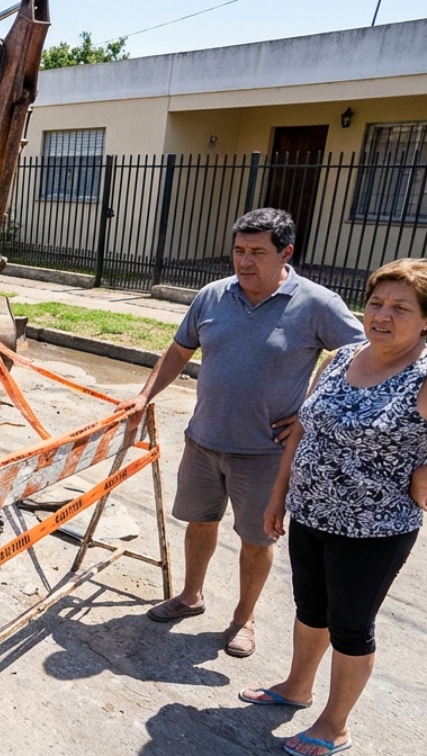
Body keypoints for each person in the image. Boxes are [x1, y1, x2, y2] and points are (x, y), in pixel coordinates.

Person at [242, 258, 427, 756]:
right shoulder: (345, 355)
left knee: (350, 625)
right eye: (376, 303)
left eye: (400, 307)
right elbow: (304, 429)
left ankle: (334, 725)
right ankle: (296, 687)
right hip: (311, 514)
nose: (382, 315)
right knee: (311, 610)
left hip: (373, 529)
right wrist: (278, 494)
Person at [119, 208, 363, 657]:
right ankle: (191, 596)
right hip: (204, 439)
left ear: (286, 253)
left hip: (265, 451)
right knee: (200, 521)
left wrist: (311, 407)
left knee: (257, 537)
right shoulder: (212, 296)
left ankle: (242, 618)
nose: (244, 262)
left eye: (257, 252)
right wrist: (144, 396)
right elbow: (178, 351)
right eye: (238, 251)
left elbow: (359, 354)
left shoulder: (317, 304)